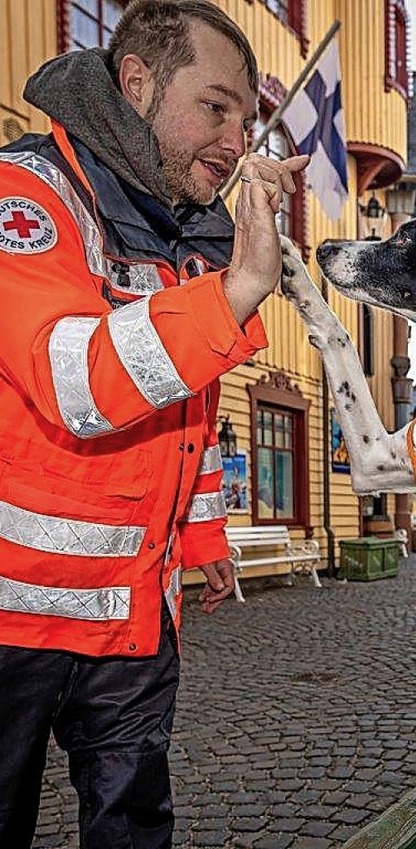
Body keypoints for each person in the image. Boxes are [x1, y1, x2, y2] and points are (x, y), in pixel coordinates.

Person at [0, 1, 307, 847]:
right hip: (14, 620)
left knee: (134, 826)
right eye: (215, 107)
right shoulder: (24, 194)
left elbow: (186, 413)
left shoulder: (181, 233)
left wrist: (204, 540)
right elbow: (76, 379)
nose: (238, 139)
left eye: (246, 119)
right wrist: (238, 289)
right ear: (135, 83)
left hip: (137, 614)